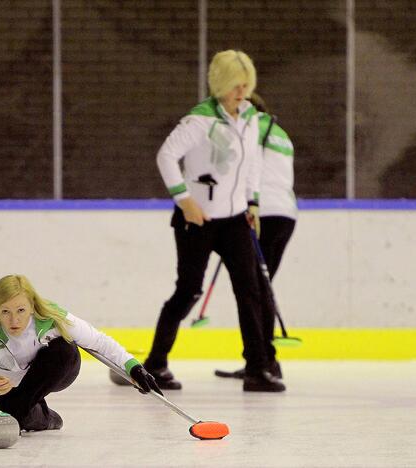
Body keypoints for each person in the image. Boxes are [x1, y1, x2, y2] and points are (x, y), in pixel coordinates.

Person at [143, 50, 285, 393]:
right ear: (220, 85)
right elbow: (166, 155)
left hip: (236, 219)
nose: (242, 92)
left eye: (246, 85)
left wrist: (252, 203)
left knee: (250, 290)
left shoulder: (250, 118)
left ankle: (256, 368)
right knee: (189, 290)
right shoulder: (199, 121)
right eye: (236, 85)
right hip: (198, 219)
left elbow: (252, 164)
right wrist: (185, 200)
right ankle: (155, 363)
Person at [0, 274, 162, 431]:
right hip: (12, 388)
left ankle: (17, 408)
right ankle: (44, 417)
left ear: (31, 306)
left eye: (20, 310)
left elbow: (99, 341)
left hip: (57, 372)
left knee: (64, 348)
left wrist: (134, 368)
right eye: (5, 312)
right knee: (19, 410)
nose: (14, 321)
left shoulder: (52, 317)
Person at [216, 92, 297, 380]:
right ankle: (263, 359)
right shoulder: (281, 133)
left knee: (254, 290)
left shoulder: (248, 126)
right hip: (286, 213)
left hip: (260, 212)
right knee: (261, 288)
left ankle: (263, 361)